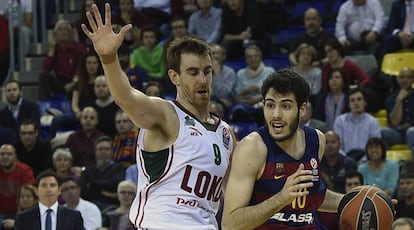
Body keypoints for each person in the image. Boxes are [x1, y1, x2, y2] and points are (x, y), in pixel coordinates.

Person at [81, 4, 235, 229]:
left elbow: (235, 196)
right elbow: (126, 97)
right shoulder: (166, 114)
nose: (202, 80)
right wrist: (109, 59)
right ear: (174, 77)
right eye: (193, 72)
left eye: (207, 71)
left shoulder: (226, 133)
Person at [222, 69, 343, 229]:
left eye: (285, 106)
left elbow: (313, 197)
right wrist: (280, 199)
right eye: (270, 105)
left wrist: (358, 199)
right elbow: (230, 224)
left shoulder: (317, 140)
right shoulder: (252, 148)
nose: (276, 114)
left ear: (302, 109)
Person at [14, 170, 84, 230]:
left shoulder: (74, 216)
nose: (48, 190)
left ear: (59, 190)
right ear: (36, 191)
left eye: (52, 185)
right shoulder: (23, 218)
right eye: (44, 185)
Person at [38, 19, 87, 100]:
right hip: (60, 81)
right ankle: (45, 105)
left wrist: (73, 82)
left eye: (66, 29)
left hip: (75, 81)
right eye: (60, 29)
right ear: (55, 34)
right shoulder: (54, 49)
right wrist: (52, 49)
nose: (63, 32)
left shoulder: (79, 48)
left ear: (70, 33)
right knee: (43, 76)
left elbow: (82, 68)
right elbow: (46, 68)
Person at [230, 45, 275, 124]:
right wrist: (246, 92)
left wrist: (259, 97)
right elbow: (236, 96)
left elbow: (274, 93)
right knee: (238, 111)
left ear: (260, 57)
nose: (253, 59)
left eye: (255, 56)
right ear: (246, 59)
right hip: (245, 103)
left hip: (263, 102)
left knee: (262, 111)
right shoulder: (240, 73)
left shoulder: (269, 71)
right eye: (250, 57)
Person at [79, 136, 125, 211]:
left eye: (107, 149)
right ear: (95, 152)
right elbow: (83, 190)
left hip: (111, 207)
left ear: (112, 152)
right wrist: (105, 192)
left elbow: (114, 184)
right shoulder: (88, 170)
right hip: (89, 206)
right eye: (100, 149)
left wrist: (92, 185)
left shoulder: (119, 168)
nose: (103, 152)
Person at [333, 88, 381, 159]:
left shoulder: (373, 121)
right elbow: (338, 146)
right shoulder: (340, 121)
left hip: (367, 160)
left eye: (359, 99)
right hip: (345, 160)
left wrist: (364, 160)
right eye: (352, 100)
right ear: (349, 104)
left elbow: (374, 146)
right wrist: (347, 160)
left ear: (365, 102)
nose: (356, 103)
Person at [381, 67, 414, 154]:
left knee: (412, 131)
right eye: (402, 77)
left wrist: (410, 124)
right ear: (397, 79)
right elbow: (395, 122)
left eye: (409, 77)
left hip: (412, 132)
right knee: (382, 132)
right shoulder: (391, 98)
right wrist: (399, 100)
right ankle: (385, 164)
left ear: (413, 79)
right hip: (398, 133)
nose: (405, 80)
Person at [0, 144, 35, 221]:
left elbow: (29, 196)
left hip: (19, 212)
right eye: (2, 154)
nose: (5, 157)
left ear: (15, 157)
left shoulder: (25, 170)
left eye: (9, 154)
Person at [210, 43, 237, 111]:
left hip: (223, 105)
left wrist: (217, 74)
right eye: (213, 53)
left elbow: (224, 94)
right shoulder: (203, 72)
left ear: (223, 56)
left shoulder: (230, 73)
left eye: (218, 53)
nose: (215, 56)